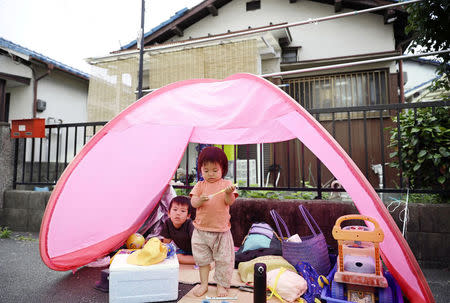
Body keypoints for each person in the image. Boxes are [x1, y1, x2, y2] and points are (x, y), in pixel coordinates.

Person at [190, 146, 238, 297]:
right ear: (201, 169)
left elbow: (229, 202)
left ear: (223, 169)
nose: (210, 174)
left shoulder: (226, 185)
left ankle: (222, 285)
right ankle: (204, 284)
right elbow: (193, 203)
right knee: (202, 260)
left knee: (224, 260)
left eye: (215, 170)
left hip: (221, 231)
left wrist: (229, 193)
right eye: (206, 170)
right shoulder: (200, 185)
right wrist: (199, 200)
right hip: (201, 230)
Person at [160, 196, 196, 265]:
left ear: (188, 216)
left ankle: (203, 260)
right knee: (176, 257)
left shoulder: (190, 225)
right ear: (169, 213)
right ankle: (198, 260)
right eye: (175, 210)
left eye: (182, 211)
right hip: (184, 250)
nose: (178, 213)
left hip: (197, 250)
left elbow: (198, 242)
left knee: (201, 256)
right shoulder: (168, 223)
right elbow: (166, 243)